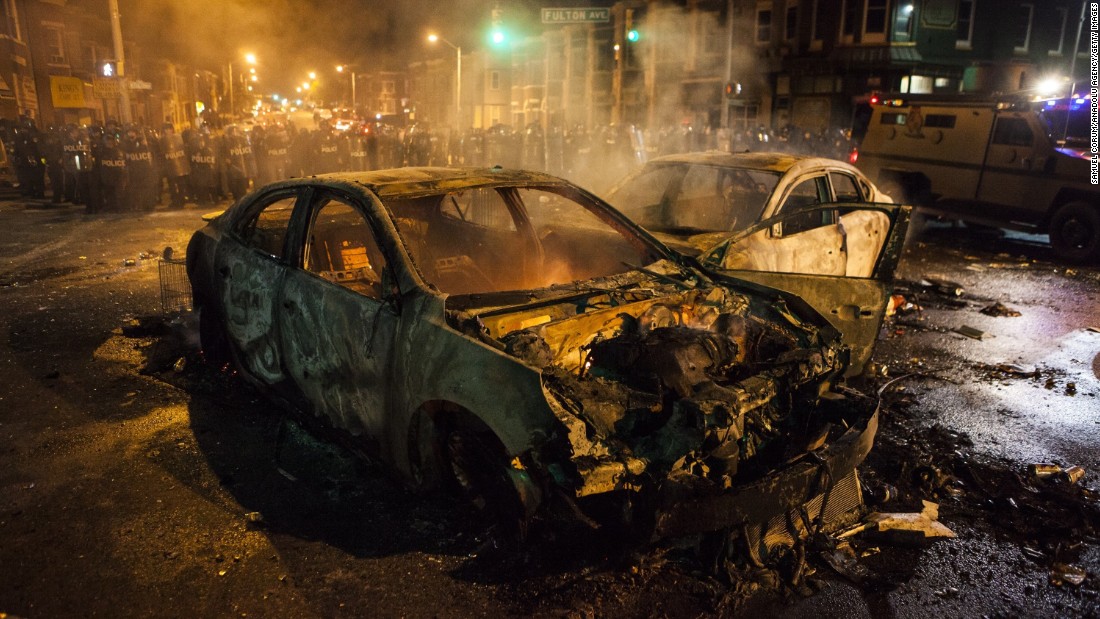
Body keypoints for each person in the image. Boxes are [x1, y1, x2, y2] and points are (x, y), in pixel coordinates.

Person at [159, 123, 190, 209]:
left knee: (180, 184)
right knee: (172, 185)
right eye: (165, 129)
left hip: (179, 167)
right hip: (170, 167)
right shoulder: (162, 140)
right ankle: (175, 200)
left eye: (169, 129)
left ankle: (181, 200)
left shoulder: (178, 138)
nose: (167, 131)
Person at [187, 126, 217, 205]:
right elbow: (193, 161)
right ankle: (202, 200)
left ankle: (213, 199)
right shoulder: (195, 151)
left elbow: (211, 160)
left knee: (210, 185)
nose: (201, 144)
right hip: (199, 171)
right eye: (199, 142)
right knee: (201, 186)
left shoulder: (208, 150)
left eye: (202, 142)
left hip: (207, 171)